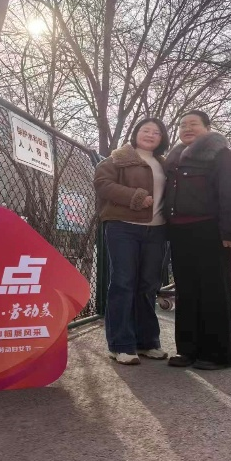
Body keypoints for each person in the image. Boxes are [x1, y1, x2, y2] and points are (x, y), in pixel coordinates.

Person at [164, 110, 231, 370]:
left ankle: (219, 354)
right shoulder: (174, 160)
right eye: (182, 125)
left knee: (214, 291)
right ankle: (187, 350)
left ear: (208, 128)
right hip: (180, 234)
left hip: (211, 231)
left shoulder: (222, 155)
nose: (187, 128)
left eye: (193, 124)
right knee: (186, 291)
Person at [94, 118, 170, 365]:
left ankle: (147, 342)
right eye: (146, 130)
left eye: (156, 132)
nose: (151, 134)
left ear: (162, 138)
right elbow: (102, 184)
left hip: (157, 231)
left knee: (148, 286)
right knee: (123, 283)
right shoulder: (119, 157)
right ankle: (120, 345)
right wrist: (135, 197)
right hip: (123, 227)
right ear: (136, 133)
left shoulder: (164, 164)